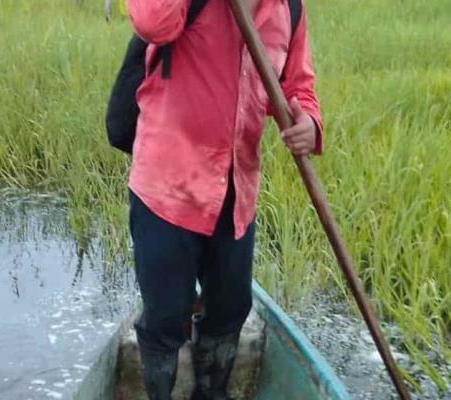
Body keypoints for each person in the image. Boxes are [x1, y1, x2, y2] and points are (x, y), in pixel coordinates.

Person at [125, 0, 322, 398]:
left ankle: (211, 394)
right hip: (168, 188)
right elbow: (151, 20)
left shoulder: (288, 8)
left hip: (236, 193)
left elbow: (298, 86)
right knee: (164, 318)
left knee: (230, 310)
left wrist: (308, 124)